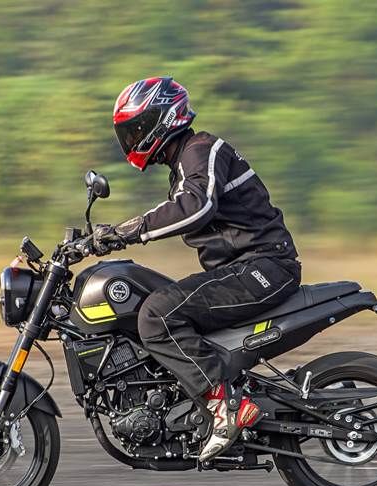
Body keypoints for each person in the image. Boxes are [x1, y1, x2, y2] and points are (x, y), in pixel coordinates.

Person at [92, 76, 301, 461]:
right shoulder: (185, 163)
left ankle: (226, 406)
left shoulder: (202, 149)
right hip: (242, 269)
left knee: (157, 315)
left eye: (136, 128)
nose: (131, 138)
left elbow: (195, 206)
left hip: (263, 267)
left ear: (161, 119)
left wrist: (128, 231)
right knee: (153, 301)